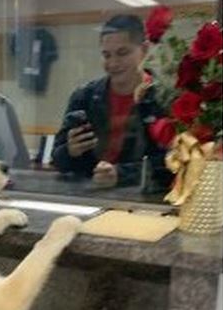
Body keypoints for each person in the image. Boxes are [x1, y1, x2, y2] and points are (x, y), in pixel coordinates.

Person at [51, 14, 171, 190]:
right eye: (106, 55)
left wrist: (121, 175)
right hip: (88, 196)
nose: (113, 63)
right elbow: (58, 160)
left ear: (144, 50)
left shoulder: (164, 98)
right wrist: (70, 151)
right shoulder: (84, 97)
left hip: (143, 203)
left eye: (122, 53)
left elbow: (173, 164)